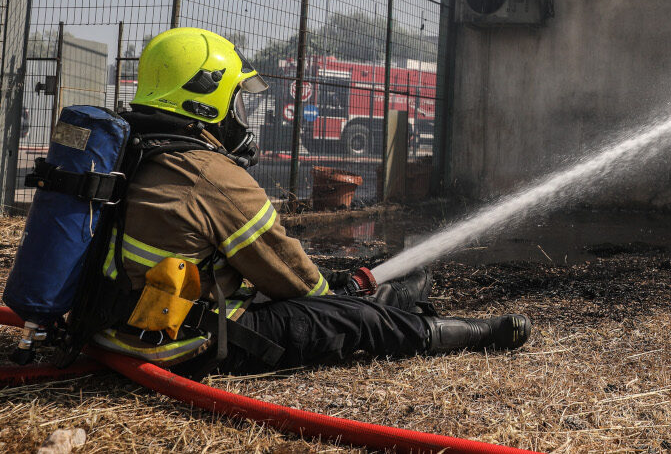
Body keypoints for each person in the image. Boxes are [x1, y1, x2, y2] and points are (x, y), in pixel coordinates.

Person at [92, 28, 530, 374]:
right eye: (234, 101)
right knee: (359, 321)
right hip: (183, 343)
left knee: (355, 287)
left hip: (109, 325)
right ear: (206, 99)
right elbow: (298, 286)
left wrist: (346, 281)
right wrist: (346, 297)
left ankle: (388, 297)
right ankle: (467, 333)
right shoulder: (212, 176)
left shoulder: (126, 154)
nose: (238, 115)